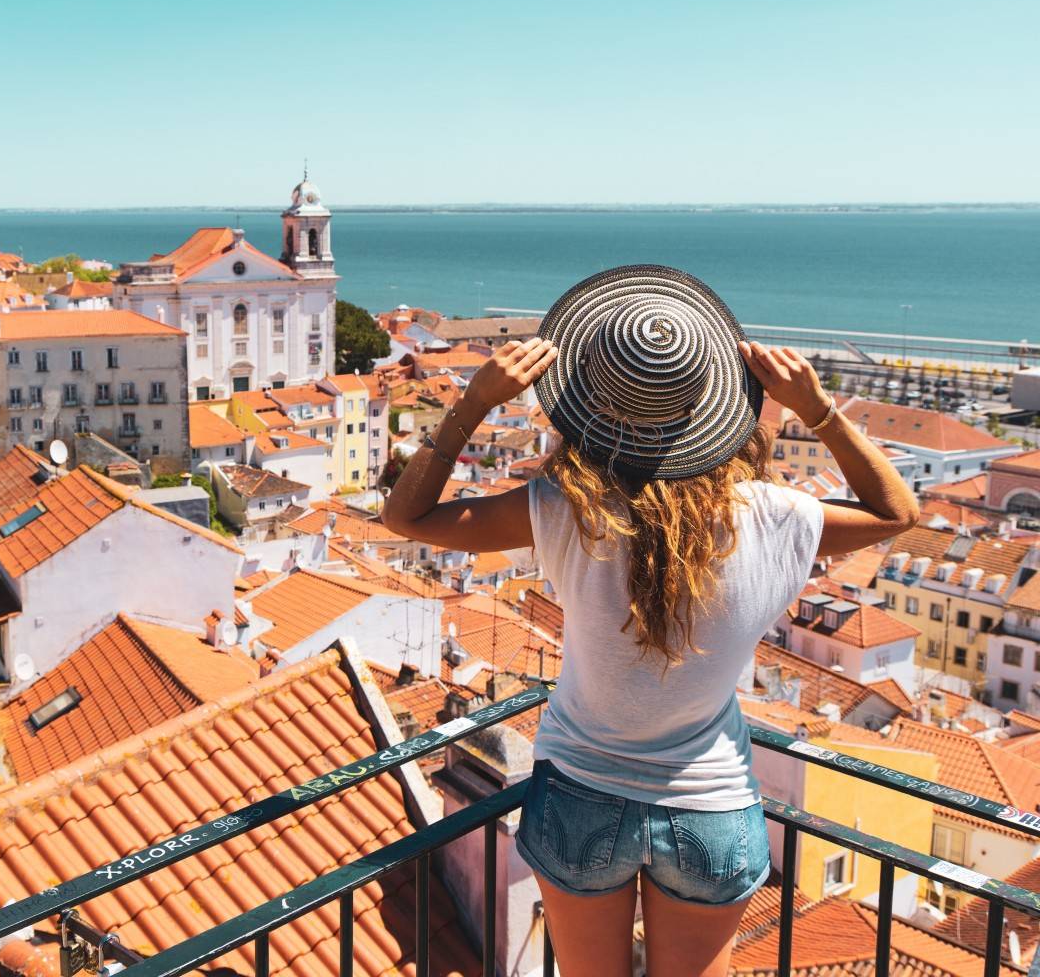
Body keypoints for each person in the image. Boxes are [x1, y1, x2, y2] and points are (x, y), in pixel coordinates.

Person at [381, 265, 918, 977]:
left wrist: (476, 402)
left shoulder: (564, 508)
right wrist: (817, 409)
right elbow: (896, 512)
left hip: (579, 791)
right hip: (709, 801)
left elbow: (405, 516)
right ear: (716, 407)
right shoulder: (775, 516)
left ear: (591, 405)